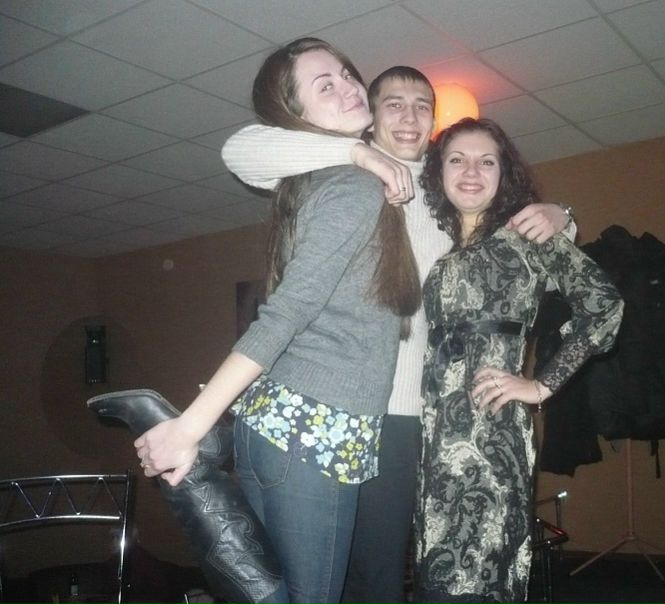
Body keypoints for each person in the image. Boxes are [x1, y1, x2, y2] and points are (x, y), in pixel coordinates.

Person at [221, 66, 574, 604]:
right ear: (370, 115)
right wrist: (358, 154)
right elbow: (241, 151)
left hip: (413, 416)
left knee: (382, 571)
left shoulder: (443, 196)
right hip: (339, 402)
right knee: (328, 573)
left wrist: (560, 215)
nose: (410, 116)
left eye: (422, 106)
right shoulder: (342, 173)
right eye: (394, 104)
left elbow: (522, 240)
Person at [133, 38, 421, 604]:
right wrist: (190, 426)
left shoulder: (314, 181)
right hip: (315, 427)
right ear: (296, 114)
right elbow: (287, 311)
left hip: (280, 425)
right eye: (325, 85)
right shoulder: (354, 187)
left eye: (346, 73)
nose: (349, 86)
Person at [414, 117, 624, 604]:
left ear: (503, 173)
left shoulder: (528, 236)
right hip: (436, 439)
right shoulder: (442, 254)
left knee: (476, 581)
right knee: (436, 583)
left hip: (490, 438)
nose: (471, 171)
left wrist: (540, 385)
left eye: (486, 161)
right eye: (457, 160)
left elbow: (605, 306)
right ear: (439, 173)